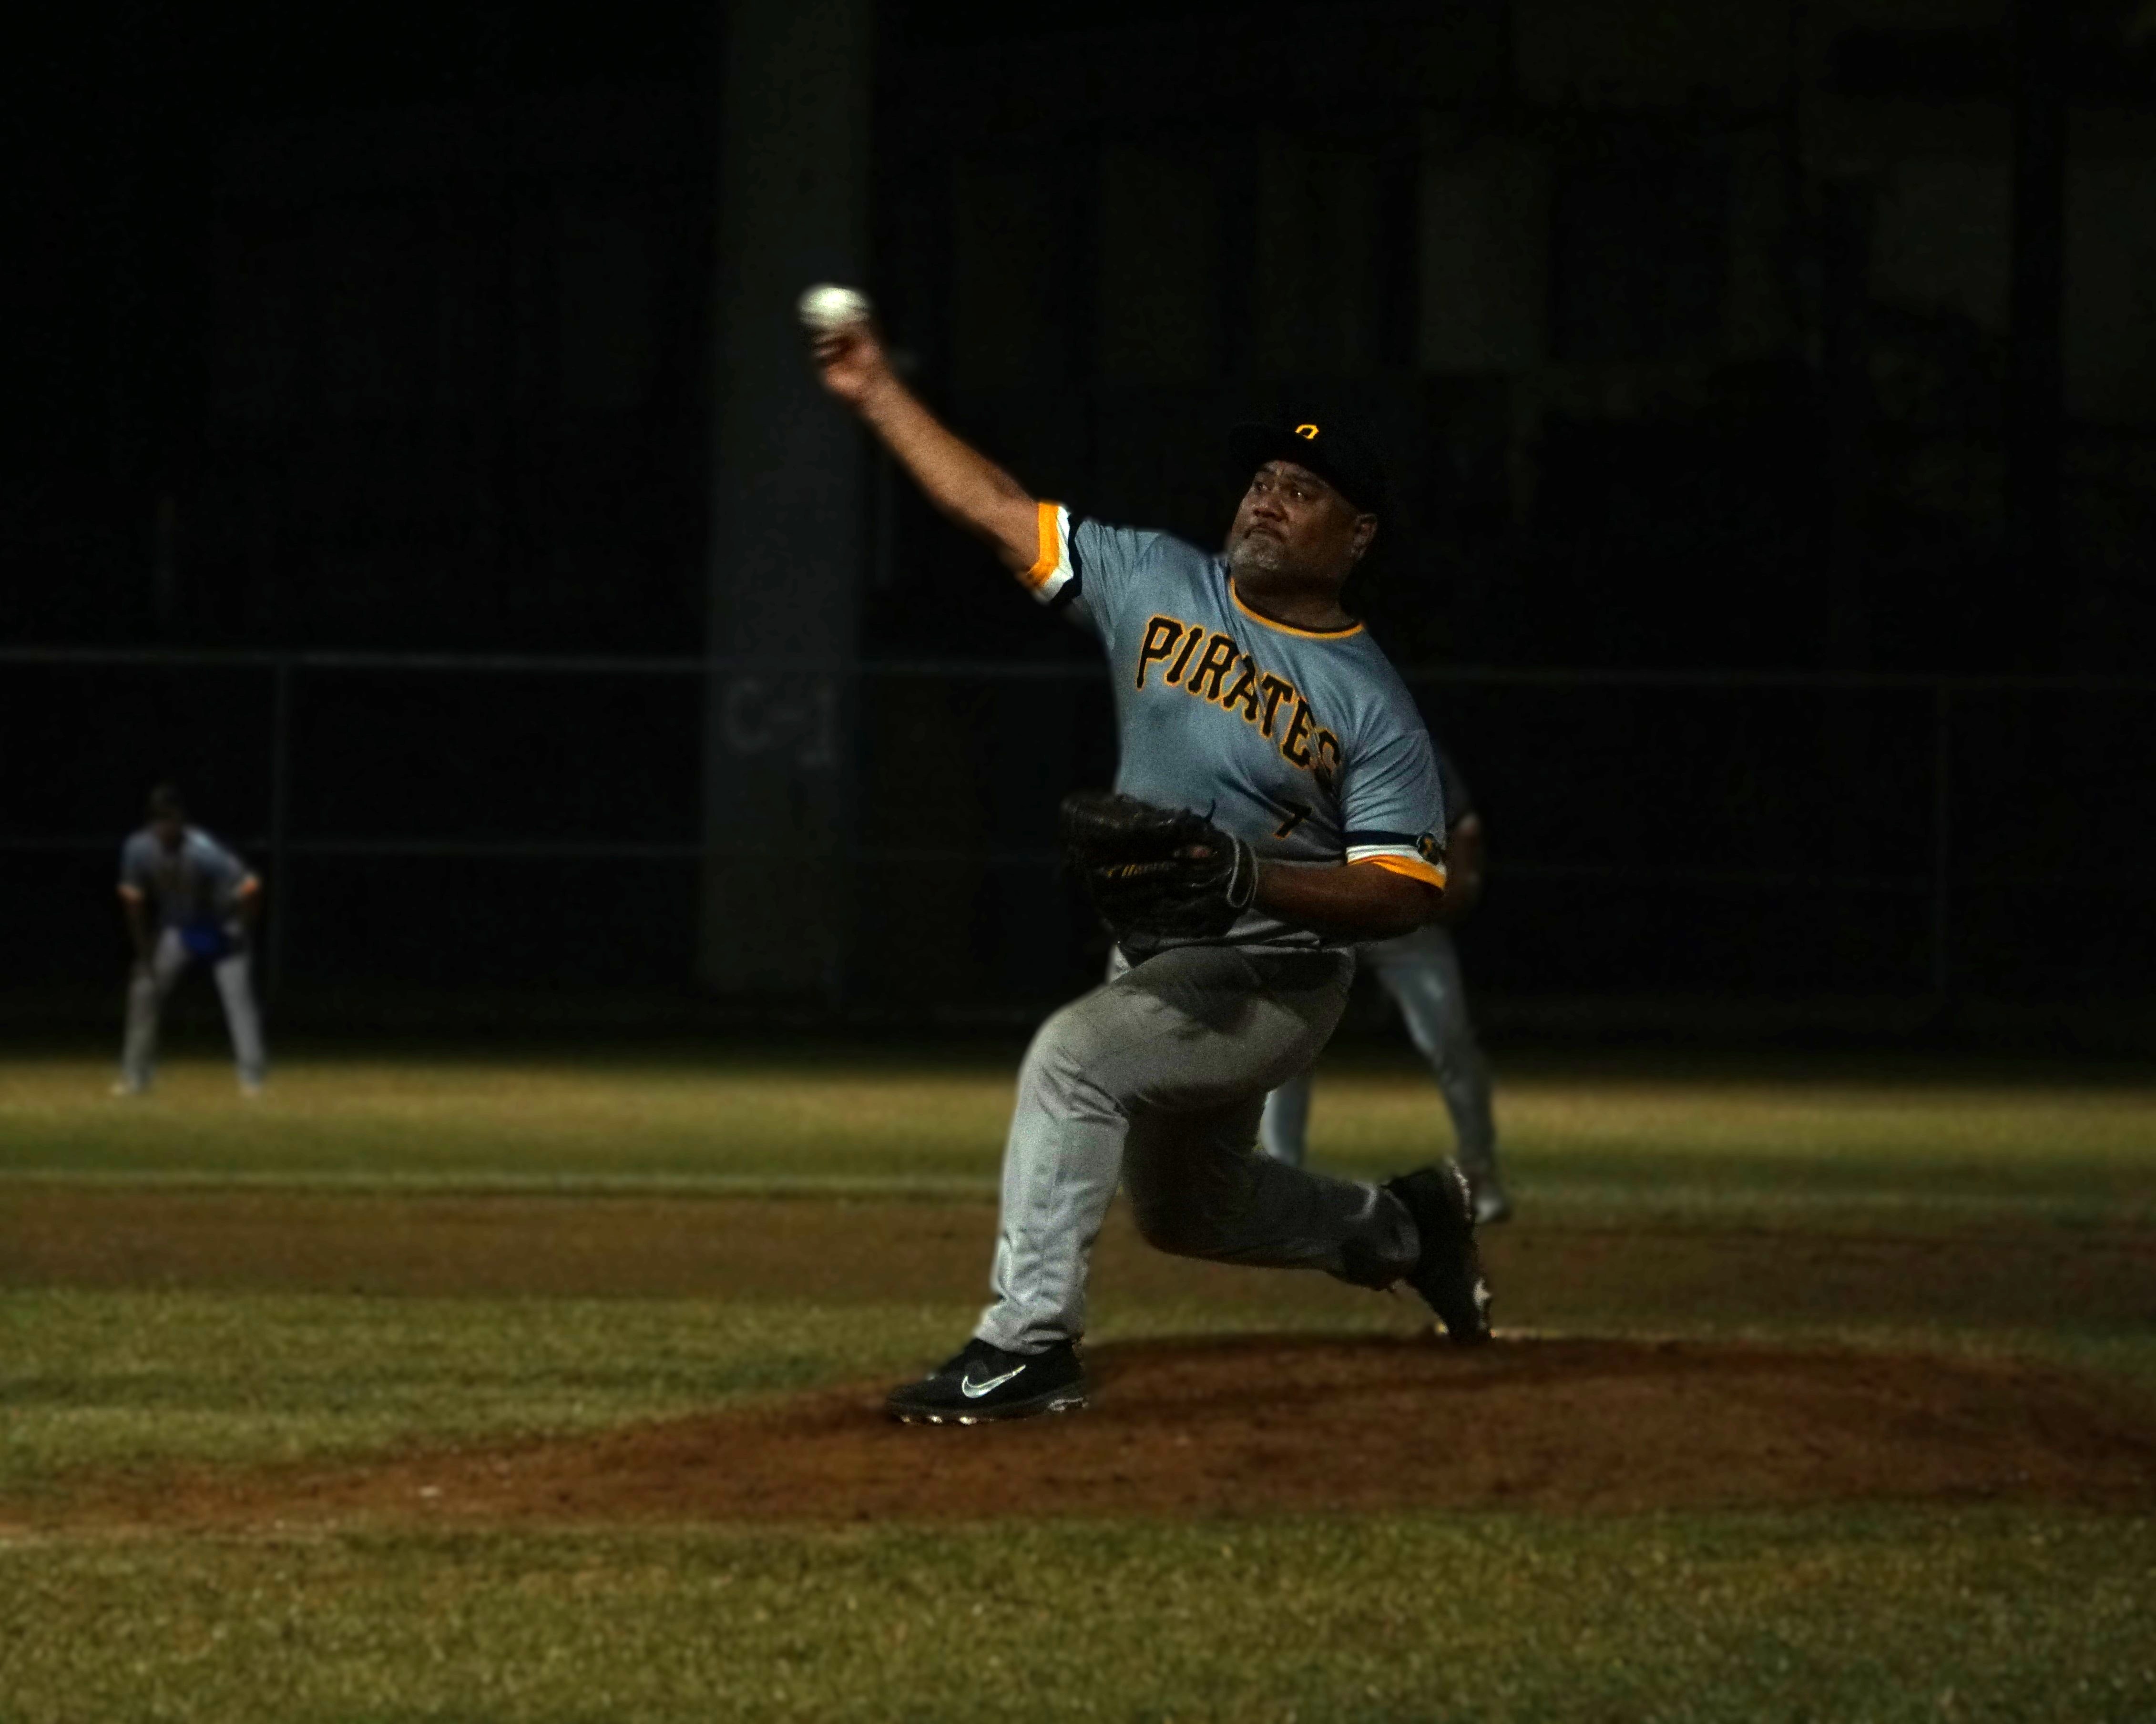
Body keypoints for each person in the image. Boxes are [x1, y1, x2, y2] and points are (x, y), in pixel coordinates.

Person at [809, 302, 1491, 1426]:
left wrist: (1247, 879)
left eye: (1304, 488)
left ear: (1357, 536)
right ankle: (1407, 1224)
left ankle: (1025, 1342)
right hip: (1161, 961)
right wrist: (877, 385)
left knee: (1073, 1059)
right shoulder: (1151, 577)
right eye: (1262, 477)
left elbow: (1403, 893)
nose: (1268, 495)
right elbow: (989, 506)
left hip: (1276, 978)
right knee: (1188, 1212)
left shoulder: (1372, 703)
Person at [1257, 746, 1512, 1223]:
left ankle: (1480, 1174)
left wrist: (1459, 881)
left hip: (1397, 911)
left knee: (1448, 1040)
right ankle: (1280, 1183)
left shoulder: (1400, 740)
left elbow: (1464, 824)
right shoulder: (1295, 736)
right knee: (1288, 1045)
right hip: (1325, 908)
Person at [114, 784, 267, 1097]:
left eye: (171, 818)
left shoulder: (204, 848)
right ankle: (136, 1076)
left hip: (220, 927)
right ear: (151, 821)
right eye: (160, 819)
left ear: (182, 819)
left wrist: (240, 927)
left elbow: (252, 887)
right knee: (144, 989)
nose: (166, 826)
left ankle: (252, 1079)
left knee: (238, 1002)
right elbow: (134, 904)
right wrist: (145, 956)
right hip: (178, 930)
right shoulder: (138, 848)